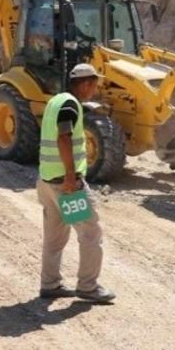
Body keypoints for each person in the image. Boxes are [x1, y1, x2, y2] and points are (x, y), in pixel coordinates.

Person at [36, 63, 115, 304]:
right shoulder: (70, 105)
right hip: (66, 185)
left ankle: (50, 285)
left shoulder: (55, 101)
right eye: (94, 85)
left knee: (54, 237)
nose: (95, 90)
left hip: (47, 182)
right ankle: (88, 287)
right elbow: (63, 136)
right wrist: (71, 175)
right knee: (90, 232)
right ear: (86, 83)